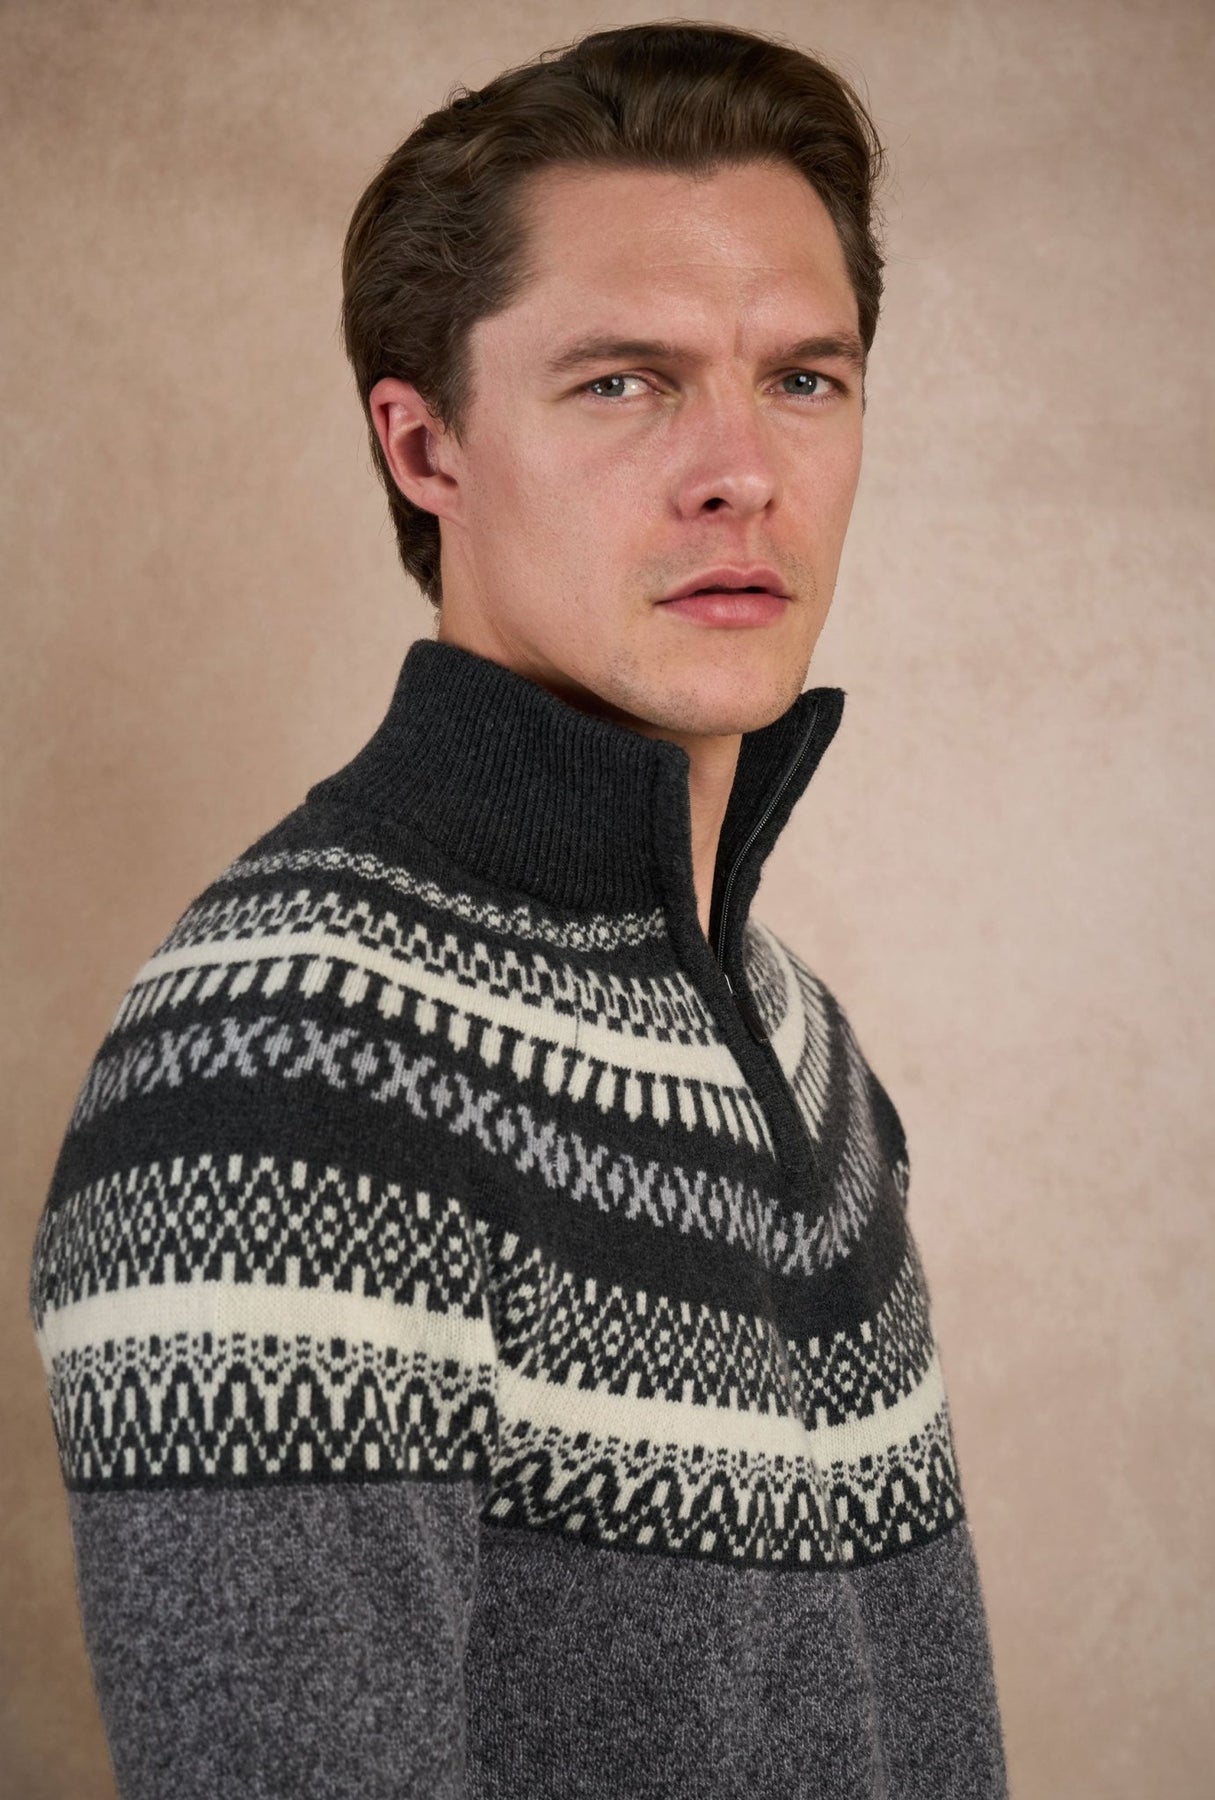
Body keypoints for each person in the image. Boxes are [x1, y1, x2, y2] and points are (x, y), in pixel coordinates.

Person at [29, 19, 1009, 1798]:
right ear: (427, 449)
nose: (742, 471)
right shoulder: (281, 1075)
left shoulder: (798, 1037)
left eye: (804, 378)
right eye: (624, 382)